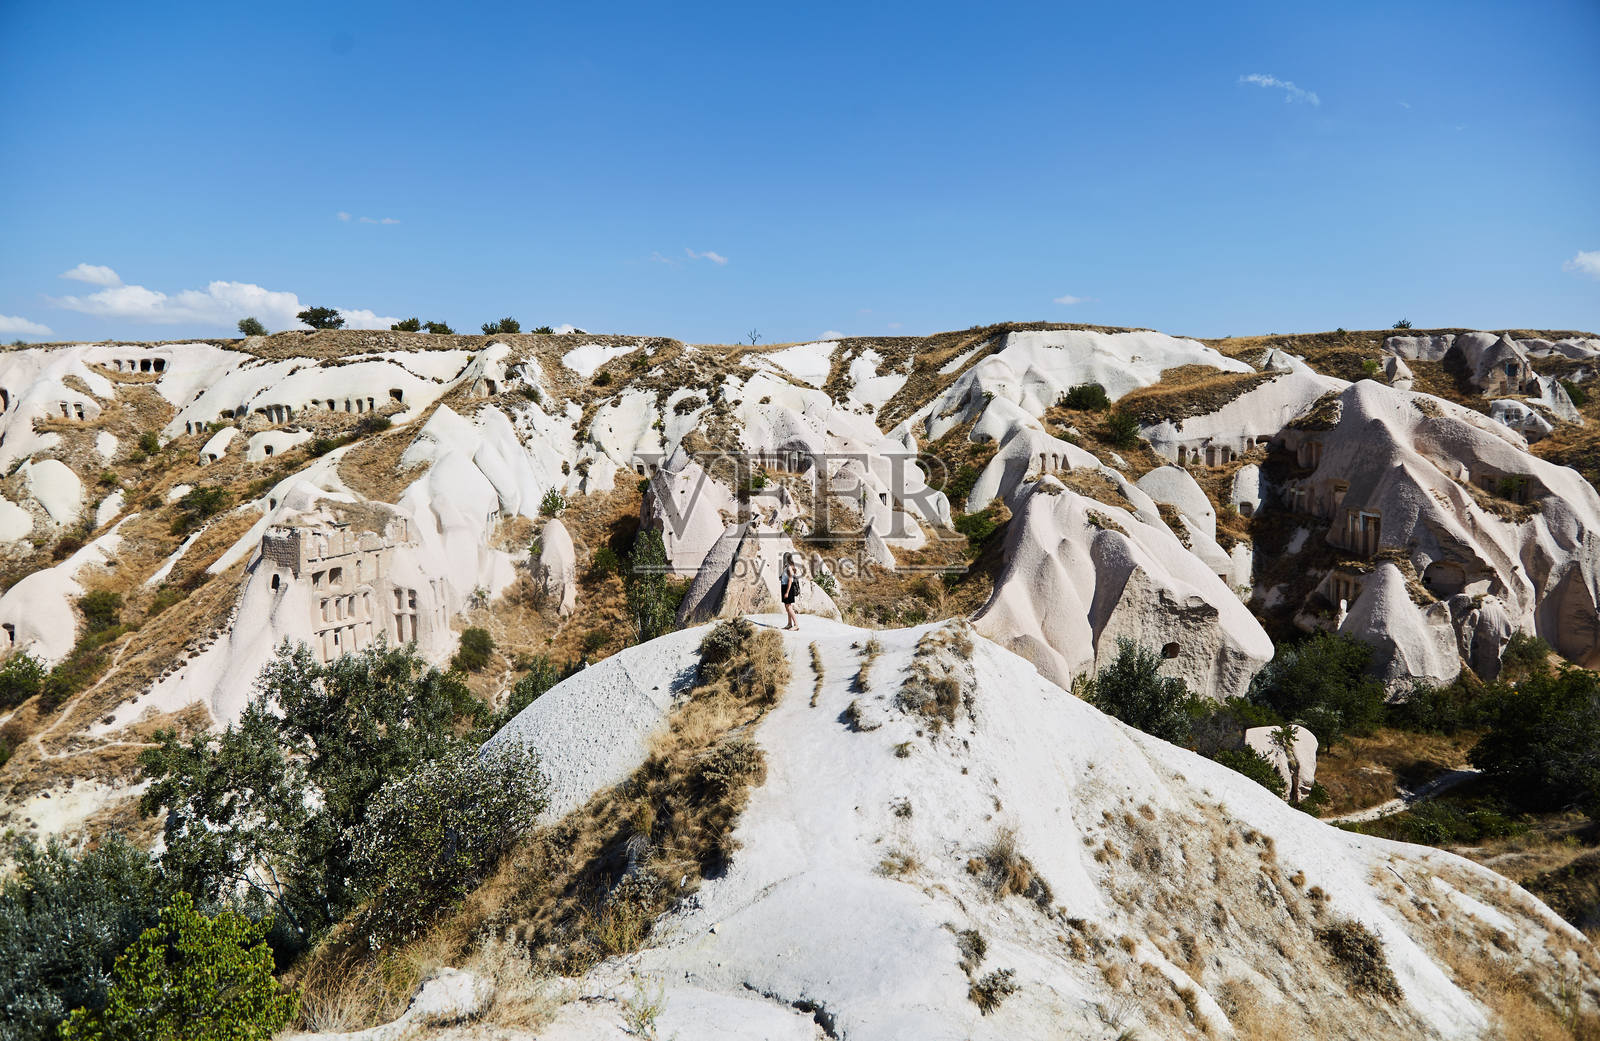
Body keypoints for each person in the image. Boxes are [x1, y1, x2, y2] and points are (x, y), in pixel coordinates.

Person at [780, 552, 802, 630]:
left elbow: (790, 580)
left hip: (788, 588)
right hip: (784, 587)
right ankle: (789, 624)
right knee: (787, 607)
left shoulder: (789, 567)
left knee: (788, 607)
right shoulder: (786, 567)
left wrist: (787, 592)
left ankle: (796, 625)